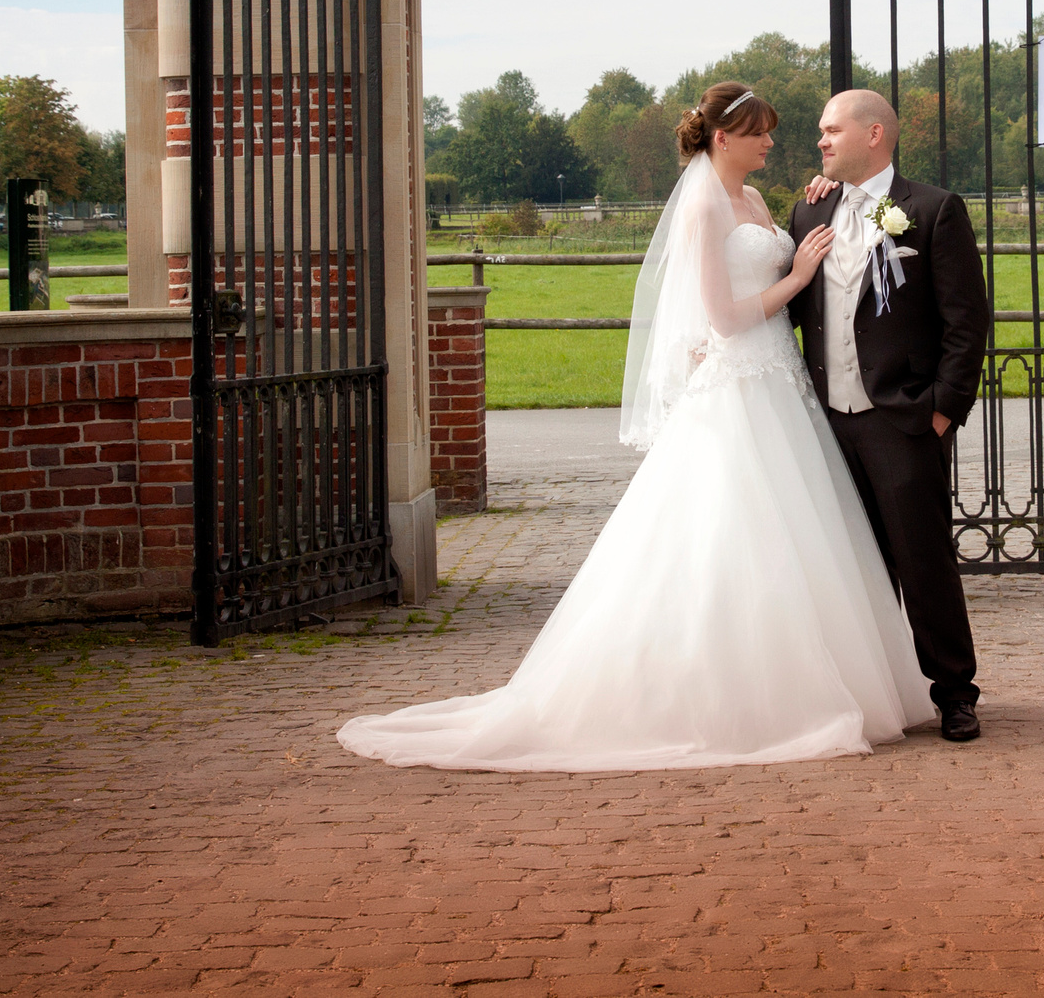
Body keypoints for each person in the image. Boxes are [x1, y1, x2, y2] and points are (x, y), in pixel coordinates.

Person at [337, 81, 935, 771]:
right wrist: (798, 275)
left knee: (801, 541)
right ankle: (723, 700)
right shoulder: (702, 206)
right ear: (722, 138)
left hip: (779, 384)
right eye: (759, 132)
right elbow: (724, 316)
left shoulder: (762, 199)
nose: (772, 141)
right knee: (729, 542)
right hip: (738, 389)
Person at [790, 89, 994, 742]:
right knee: (854, 566)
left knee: (922, 559)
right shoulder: (808, 208)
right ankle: (878, 694)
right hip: (830, 421)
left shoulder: (929, 210)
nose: (820, 140)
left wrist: (943, 413)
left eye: (831, 129)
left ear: (873, 133)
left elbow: (967, 324)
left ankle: (955, 691)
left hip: (902, 418)